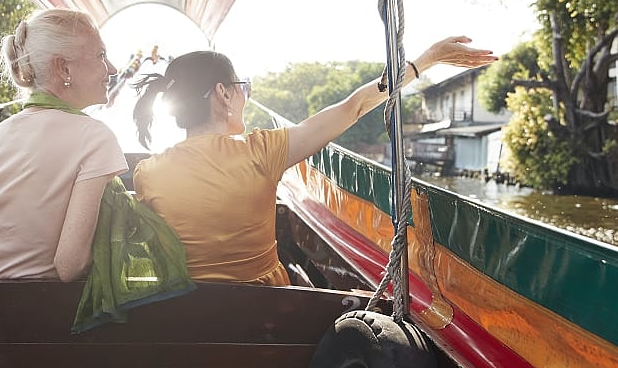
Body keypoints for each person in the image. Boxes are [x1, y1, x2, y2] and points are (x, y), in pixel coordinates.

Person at [130, 36, 497, 287]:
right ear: (223, 94)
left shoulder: (148, 174)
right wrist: (426, 60)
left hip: (186, 362)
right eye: (242, 86)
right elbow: (354, 106)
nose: (245, 95)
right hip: (262, 357)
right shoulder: (263, 151)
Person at [0, 8, 126, 284]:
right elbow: (70, 265)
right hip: (38, 313)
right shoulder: (94, 136)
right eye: (101, 55)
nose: (112, 69)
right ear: (63, 68)